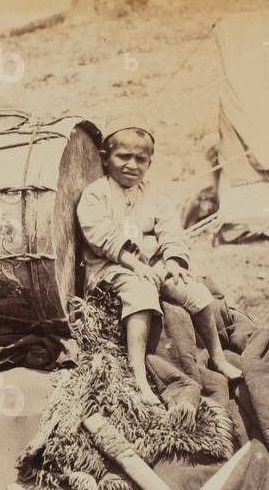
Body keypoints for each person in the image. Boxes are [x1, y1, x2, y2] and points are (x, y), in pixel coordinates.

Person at [77, 122, 242, 405]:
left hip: (151, 264)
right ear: (105, 158)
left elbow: (171, 229)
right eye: (123, 157)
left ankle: (216, 357)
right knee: (140, 295)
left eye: (140, 159)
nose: (132, 165)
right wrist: (134, 265)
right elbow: (99, 235)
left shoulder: (153, 195)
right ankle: (139, 376)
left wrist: (174, 260)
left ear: (149, 163)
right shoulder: (96, 194)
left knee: (194, 290)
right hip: (111, 267)